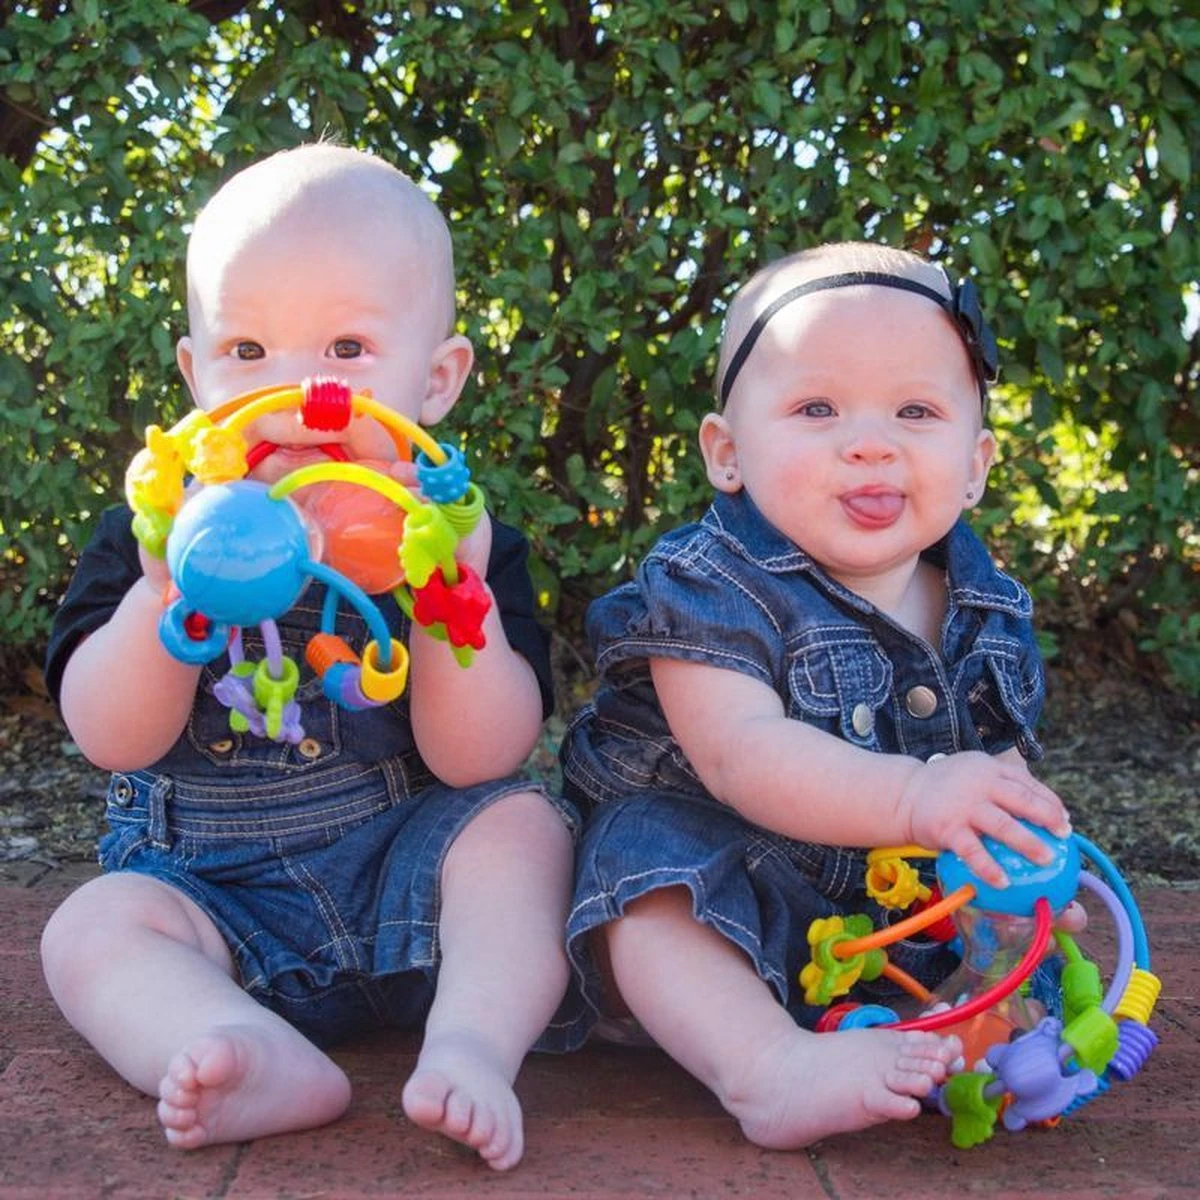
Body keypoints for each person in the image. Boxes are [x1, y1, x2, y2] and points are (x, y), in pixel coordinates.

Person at [40, 144, 582, 1171]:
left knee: (522, 830)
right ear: (196, 377)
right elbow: (110, 738)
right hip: (213, 902)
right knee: (90, 929)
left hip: (408, 883)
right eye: (248, 350)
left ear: (435, 380)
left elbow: (481, 759)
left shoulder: (453, 540)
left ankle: (472, 1040)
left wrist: (448, 596)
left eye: (346, 347)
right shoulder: (151, 538)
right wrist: (164, 590)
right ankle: (244, 1046)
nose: (295, 390)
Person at [559, 241, 1075, 1149]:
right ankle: (763, 1066)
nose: (870, 442)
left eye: (916, 411)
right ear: (729, 453)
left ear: (975, 464)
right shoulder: (710, 582)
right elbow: (741, 755)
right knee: (644, 869)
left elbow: (999, 769)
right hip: (725, 891)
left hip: (886, 922)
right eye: (817, 408)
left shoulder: (990, 608)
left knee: (1015, 928)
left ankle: (950, 1024)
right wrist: (918, 796)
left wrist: (1025, 865)